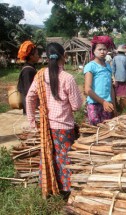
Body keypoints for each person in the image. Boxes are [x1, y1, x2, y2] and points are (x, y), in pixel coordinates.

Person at [26, 42, 83, 198]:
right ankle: (66, 190)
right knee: (65, 157)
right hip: (64, 127)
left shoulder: (40, 75)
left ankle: (49, 187)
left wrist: (32, 122)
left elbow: (30, 97)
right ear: (63, 56)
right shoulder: (67, 78)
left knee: (48, 155)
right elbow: (77, 106)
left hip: (46, 125)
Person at [84, 36, 116, 125]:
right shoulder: (90, 66)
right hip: (94, 105)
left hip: (108, 104)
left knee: (107, 131)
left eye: (104, 49)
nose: (102, 52)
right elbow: (87, 89)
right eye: (99, 49)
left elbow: (111, 88)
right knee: (96, 131)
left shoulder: (108, 66)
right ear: (93, 51)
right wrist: (103, 102)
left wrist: (114, 107)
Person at [17, 40, 40, 115]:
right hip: (30, 108)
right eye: (37, 54)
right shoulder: (28, 71)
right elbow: (29, 91)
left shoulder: (30, 68)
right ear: (31, 56)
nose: (38, 56)